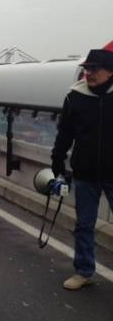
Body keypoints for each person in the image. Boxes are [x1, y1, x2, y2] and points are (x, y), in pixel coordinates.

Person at [51, 45, 113, 290]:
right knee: (84, 225)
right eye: (87, 68)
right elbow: (65, 132)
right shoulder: (74, 96)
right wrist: (57, 161)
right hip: (85, 172)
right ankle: (84, 270)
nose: (89, 73)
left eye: (95, 69)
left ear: (110, 72)